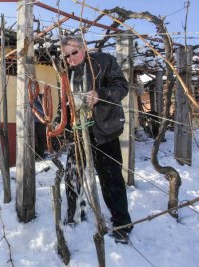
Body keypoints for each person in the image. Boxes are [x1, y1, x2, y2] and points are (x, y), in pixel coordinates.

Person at [60, 36, 132, 243]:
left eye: (74, 52)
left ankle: (122, 224)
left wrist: (99, 94)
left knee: (111, 178)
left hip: (105, 130)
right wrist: (61, 124)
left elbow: (122, 87)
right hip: (78, 130)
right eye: (66, 56)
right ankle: (75, 214)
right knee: (73, 174)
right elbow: (64, 103)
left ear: (84, 48)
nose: (71, 58)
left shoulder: (103, 62)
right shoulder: (66, 73)